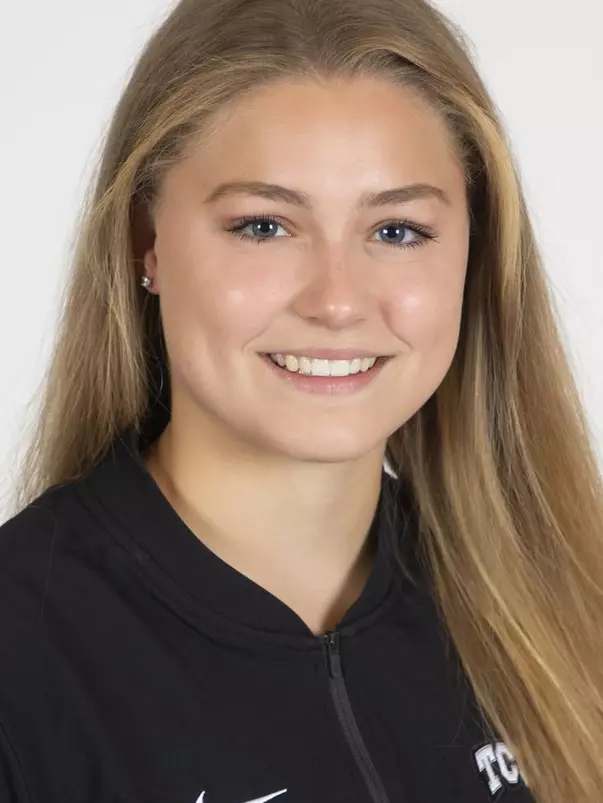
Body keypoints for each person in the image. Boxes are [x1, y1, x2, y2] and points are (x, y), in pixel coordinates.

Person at [1, 0, 603, 801]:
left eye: (396, 231)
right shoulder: (22, 655)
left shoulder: (564, 603)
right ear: (147, 241)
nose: (336, 301)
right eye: (263, 226)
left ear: (474, 250)